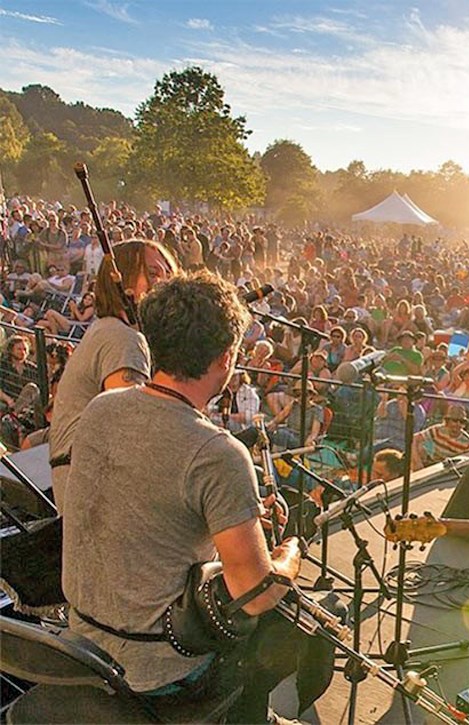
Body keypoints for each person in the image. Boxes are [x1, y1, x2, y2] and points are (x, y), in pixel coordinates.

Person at [62, 271, 340, 723]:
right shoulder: (217, 453)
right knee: (290, 624)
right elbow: (257, 592)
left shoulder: (101, 409)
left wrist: (233, 519)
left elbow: (147, 509)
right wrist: (290, 553)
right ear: (227, 357)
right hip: (156, 671)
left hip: (80, 644)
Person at [48, 239, 178, 510]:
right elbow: (134, 430)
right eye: (153, 274)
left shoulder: (106, 330)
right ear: (121, 281)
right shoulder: (123, 339)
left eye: (169, 275)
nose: (165, 285)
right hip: (96, 497)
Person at [411, 404, 469, 470]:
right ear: (447, 421)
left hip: (453, 471)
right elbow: (414, 439)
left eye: (462, 422)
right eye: (455, 420)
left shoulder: (468, 443)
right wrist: (418, 461)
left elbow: (467, 465)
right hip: (434, 464)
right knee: (419, 447)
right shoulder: (437, 430)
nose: (458, 424)